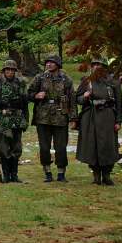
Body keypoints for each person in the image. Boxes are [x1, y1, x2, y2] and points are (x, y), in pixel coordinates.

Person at [28, 54, 76, 182]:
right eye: (47, 62)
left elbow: (72, 99)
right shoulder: (40, 77)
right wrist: (36, 95)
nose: (48, 64)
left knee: (61, 147)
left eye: (52, 62)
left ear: (58, 64)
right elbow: (28, 93)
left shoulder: (66, 79)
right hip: (43, 117)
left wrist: (73, 118)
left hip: (61, 116)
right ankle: (47, 171)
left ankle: (61, 172)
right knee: (44, 146)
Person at [75, 59, 122, 185]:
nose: (96, 67)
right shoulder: (86, 81)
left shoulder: (113, 82)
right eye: (94, 65)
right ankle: (96, 175)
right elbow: (77, 99)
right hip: (90, 116)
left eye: (99, 65)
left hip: (108, 116)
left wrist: (118, 120)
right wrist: (84, 97)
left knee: (108, 145)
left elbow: (119, 102)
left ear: (104, 67)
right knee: (91, 145)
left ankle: (107, 174)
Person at [0, 60, 29, 183]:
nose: (10, 72)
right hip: (3, 119)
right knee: (4, 149)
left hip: (17, 119)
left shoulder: (21, 83)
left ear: (15, 71)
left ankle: (14, 175)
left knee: (17, 148)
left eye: (12, 70)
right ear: (4, 71)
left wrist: (26, 120)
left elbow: (25, 103)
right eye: (7, 70)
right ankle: (6, 175)